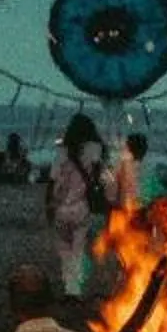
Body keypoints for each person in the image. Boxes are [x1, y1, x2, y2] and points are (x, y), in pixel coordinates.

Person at [47, 112, 108, 297]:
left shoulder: (61, 151)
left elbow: (52, 181)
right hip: (82, 207)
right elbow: (99, 175)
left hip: (60, 207)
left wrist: (47, 206)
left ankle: (69, 287)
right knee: (78, 249)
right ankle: (74, 290)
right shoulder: (94, 148)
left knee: (64, 250)